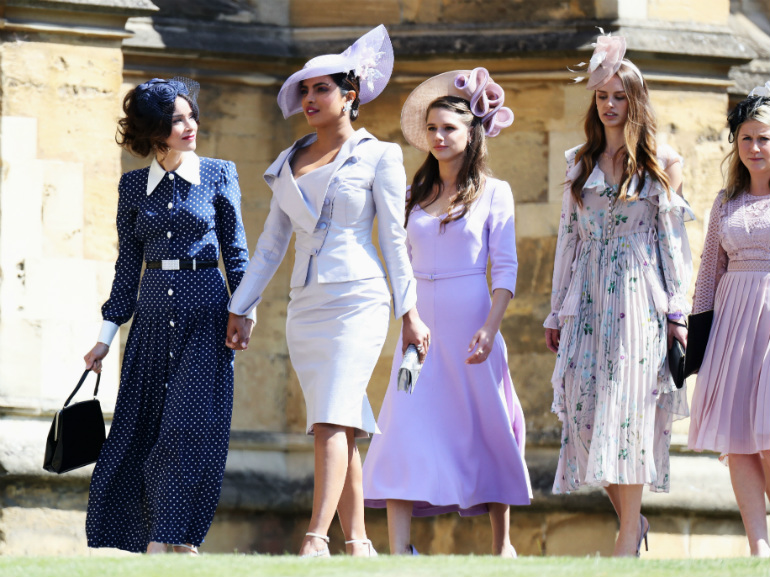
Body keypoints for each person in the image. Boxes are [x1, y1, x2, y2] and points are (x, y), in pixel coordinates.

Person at [226, 25, 430, 558]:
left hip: (359, 299)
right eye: (305, 90)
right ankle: (359, 544)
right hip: (306, 308)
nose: (310, 98)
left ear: (350, 94)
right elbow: (270, 246)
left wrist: (410, 312)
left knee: (329, 421)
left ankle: (315, 539)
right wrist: (240, 306)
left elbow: (394, 239)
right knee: (342, 419)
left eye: (322, 88)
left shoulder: (380, 156)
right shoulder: (288, 160)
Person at [361, 69, 531, 557]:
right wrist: (407, 317)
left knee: (488, 424)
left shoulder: (496, 192)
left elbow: (505, 267)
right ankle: (399, 551)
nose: (438, 137)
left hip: (473, 324)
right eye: (431, 128)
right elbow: (399, 263)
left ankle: (502, 546)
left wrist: (490, 328)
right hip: (418, 328)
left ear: (472, 133)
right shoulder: (411, 195)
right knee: (402, 421)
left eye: (449, 128)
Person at [83, 78, 253, 554]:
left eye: (191, 115)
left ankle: (168, 540)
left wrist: (244, 310)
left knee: (187, 427)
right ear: (154, 129)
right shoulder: (132, 186)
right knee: (140, 431)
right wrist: (104, 337)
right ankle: (169, 543)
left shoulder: (219, 173)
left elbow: (237, 253)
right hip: (152, 322)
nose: (190, 125)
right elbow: (126, 268)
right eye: (177, 119)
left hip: (207, 317)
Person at [543, 33, 693, 556]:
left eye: (619, 97)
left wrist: (677, 312)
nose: (609, 105)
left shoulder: (662, 162)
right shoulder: (578, 161)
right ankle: (635, 518)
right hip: (585, 297)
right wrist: (555, 310)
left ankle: (627, 536)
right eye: (602, 96)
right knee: (584, 413)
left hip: (638, 299)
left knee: (626, 412)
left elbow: (672, 243)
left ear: (635, 101)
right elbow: (567, 238)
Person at [688, 84, 770, 557]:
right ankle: (759, 550)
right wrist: (696, 332)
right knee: (739, 440)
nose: (755, 148)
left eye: (764, 138)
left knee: (769, 436)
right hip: (733, 325)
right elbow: (708, 273)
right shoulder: (726, 201)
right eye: (746, 139)